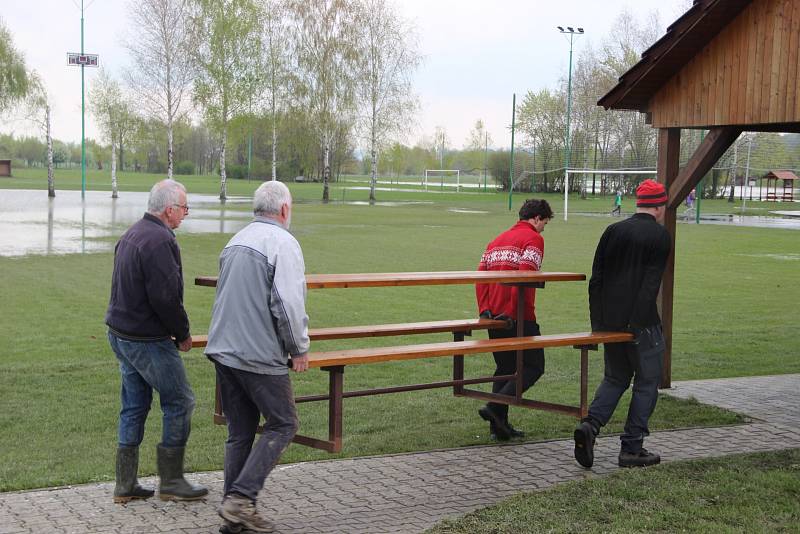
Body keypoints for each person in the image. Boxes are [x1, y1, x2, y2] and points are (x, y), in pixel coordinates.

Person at [205, 181, 310, 533]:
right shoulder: (283, 243)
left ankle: (233, 517)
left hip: (224, 349)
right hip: (258, 353)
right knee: (283, 423)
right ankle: (240, 500)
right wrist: (299, 348)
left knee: (240, 433)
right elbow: (287, 304)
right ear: (283, 209)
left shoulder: (235, 241)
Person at [105, 179, 208, 503]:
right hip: (146, 339)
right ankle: (172, 481)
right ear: (169, 209)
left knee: (134, 406)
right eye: (184, 208)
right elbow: (166, 298)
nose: (186, 214)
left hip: (120, 335)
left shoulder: (132, 233)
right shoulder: (160, 240)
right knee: (180, 402)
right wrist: (183, 334)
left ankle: (125, 485)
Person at [573, 179, 672, 469]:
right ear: (660, 205)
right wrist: (637, 323)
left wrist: (599, 324)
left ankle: (590, 426)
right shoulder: (660, 236)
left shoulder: (612, 230)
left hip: (609, 322)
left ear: (638, 203)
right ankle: (631, 447)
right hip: (640, 325)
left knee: (615, 378)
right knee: (647, 382)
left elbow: (597, 280)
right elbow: (650, 284)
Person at [475, 199, 553, 441]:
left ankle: (499, 427)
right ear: (537, 218)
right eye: (545, 223)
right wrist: (511, 312)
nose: (543, 229)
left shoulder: (496, 240)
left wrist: (485, 309)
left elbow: (480, 277)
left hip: (492, 314)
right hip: (518, 314)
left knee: (505, 368)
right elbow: (525, 276)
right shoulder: (533, 240)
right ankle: (496, 407)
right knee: (534, 365)